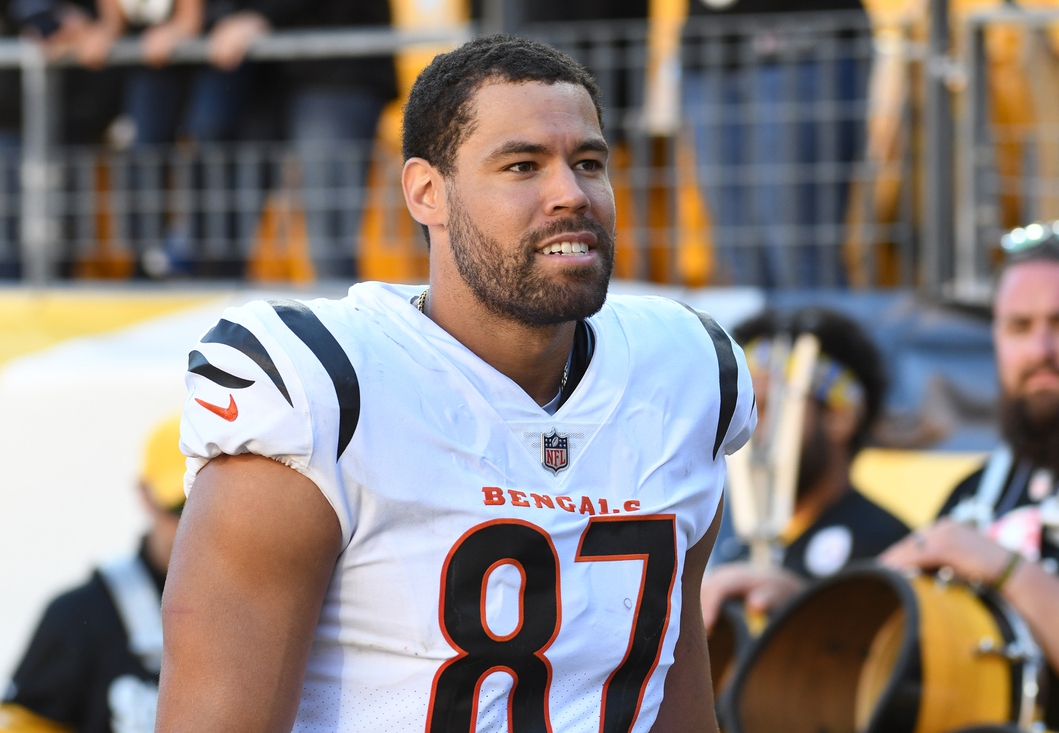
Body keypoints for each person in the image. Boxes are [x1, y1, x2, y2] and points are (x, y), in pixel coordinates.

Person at [156, 35, 757, 732]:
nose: (570, 194)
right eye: (523, 165)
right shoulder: (324, 387)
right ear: (426, 192)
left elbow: (670, 694)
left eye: (588, 163)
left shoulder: (684, 372)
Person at [882, 218, 1059, 729]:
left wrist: (1001, 568)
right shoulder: (975, 493)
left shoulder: (972, 535)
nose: (1040, 351)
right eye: (1019, 327)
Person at [701, 307, 909, 630]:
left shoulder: (890, 551)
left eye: (769, 407)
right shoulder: (736, 550)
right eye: (743, 409)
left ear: (841, 417)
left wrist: (805, 608)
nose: (748, 428)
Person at [0, 415, 186, 733]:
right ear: (145, 494)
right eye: (181, 507)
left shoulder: (279, 604)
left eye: (216, 507)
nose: (199, 526)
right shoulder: (78, 615)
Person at [680, 0, 867, 287]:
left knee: (799, 254)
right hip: (708, 53)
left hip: (804, 43)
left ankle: (815, 332)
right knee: (741, 255)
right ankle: (763, 333)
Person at [206, 0, 398, 278]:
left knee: (328, 229)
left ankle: (340, 317)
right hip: (262, 76)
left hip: (338, 70)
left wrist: (257, 15)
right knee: (231, 218)